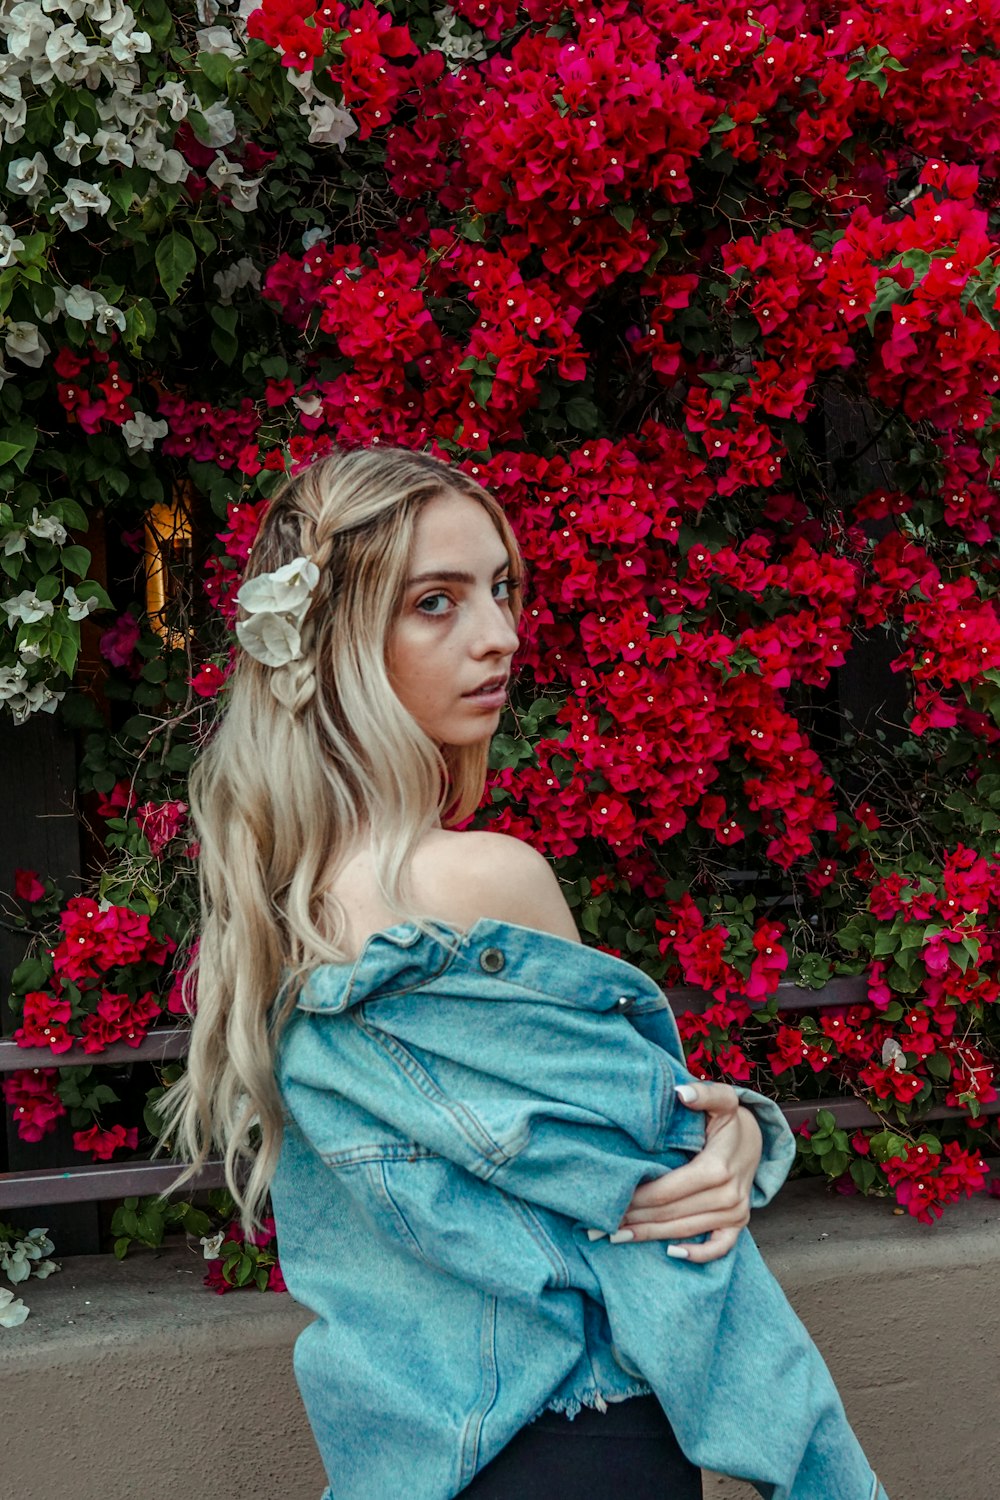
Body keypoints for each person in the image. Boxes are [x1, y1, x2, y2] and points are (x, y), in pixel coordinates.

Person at [160, 446, 888, 1500]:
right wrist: (735, 1139)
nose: (497, 635)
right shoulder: (481, 881)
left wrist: (716, 1138)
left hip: (401, 1462)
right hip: (579, 1443)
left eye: (499, 589)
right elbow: (656, 1197)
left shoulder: (276, 919)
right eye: (434, 603)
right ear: (336, 641)